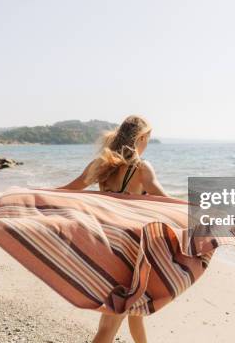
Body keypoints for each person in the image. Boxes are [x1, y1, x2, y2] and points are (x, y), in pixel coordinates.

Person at [59, 115, 166, 343]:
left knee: (135, 314)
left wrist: (33, 197)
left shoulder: (102, 164)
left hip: (105, 248)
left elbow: (68, 190)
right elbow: (166, 201)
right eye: (148, 139)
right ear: (142, 138)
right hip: (129, 255)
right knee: (108, 326)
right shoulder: (141, 168)